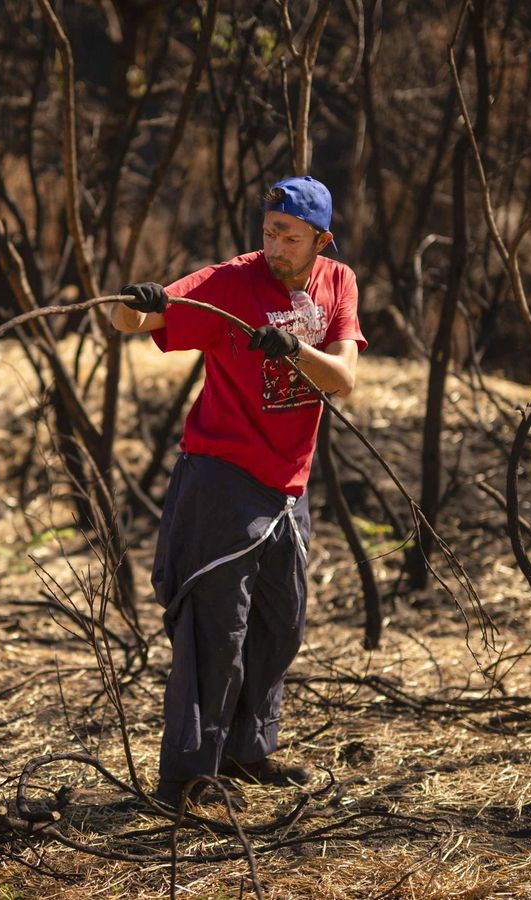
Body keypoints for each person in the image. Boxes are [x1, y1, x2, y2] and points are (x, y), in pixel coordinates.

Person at [111, 176, 365, 808]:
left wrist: (294, 348)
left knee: (280, 624)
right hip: (221, 478)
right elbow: (134, 320)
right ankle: (189, 776)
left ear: (321, 241)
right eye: (269, 231)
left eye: (291, 236)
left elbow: (343, 380)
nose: (275, 245)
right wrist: (135, 301)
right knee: (215, 632)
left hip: (289, 485)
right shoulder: (230, 280)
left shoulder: (339, 283)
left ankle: (248, 753)